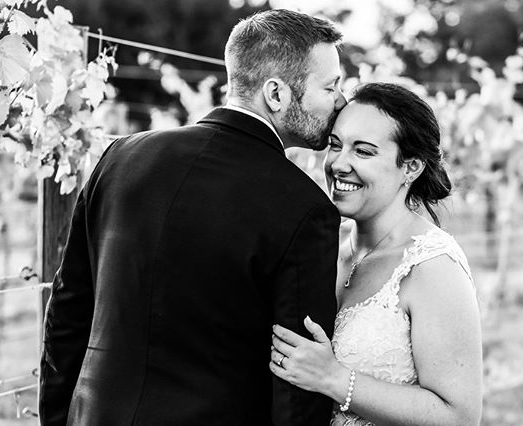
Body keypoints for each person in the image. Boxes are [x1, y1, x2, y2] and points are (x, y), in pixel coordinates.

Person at [39, 9, 347, 426]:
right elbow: (296, 377)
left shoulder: (119, 159)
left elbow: (67, 313)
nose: (341, 101)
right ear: (276, 94)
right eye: (331, 86)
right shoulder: (306, 209)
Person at [270, 83, 483, 426]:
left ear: (410, 167)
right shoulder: (328, 252)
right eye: (335, 145)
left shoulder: (431, 265)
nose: (338, 164)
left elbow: (459, 417)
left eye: (363, 152)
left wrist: (334, 379)